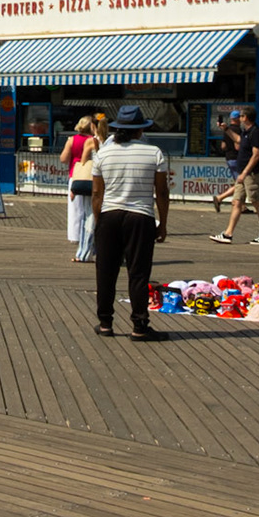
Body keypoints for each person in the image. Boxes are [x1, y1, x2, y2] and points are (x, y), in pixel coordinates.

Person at [91, 103, 171, 341]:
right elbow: (161, 192)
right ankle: (139, 325)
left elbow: (97, 193)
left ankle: (105, 323)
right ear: (140, 129)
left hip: (109, 215)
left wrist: (99, 221)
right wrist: (163, 223)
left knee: (106, 271)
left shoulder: (103, 153)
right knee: (138, 272)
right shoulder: (154, 153)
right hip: (141, 217)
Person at [210, 108, 259, 245]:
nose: (239, 118)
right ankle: (228, 234)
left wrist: (245, 173)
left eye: (241, 116)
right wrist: (226, 129)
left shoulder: (256, 132)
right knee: (237, 202)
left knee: (257, 202)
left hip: (251, 174)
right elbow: (238, 140)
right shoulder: (246, 132)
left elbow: (256, 155)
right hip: (243, 174)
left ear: (246, 117)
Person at [62, 116, 99, 262]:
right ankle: (88, 245)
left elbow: (63, 158)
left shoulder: (72, 140)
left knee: (76, 211)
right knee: (89, 212)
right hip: (93, 179)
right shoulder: (96, 140)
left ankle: (75, 236)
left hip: (77, 176)